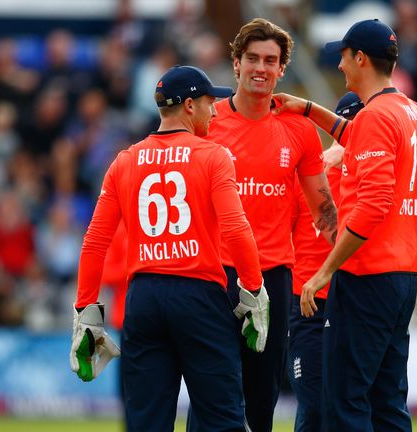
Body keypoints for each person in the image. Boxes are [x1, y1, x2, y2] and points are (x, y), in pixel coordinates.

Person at [70, 65, 269, 432]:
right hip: (199, 295)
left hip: (142, 297)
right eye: (210, 102)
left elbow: (95, 239)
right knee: (222, 418)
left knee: (146, 421)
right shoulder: (212, 155)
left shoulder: (125, 160)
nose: (215, 110)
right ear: (189, 106)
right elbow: (237, 229)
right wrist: (254, 288)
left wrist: (85, 308)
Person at [275, 18, 417, 431]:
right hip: (402, 274)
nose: (340, 65)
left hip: (368, 276)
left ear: (360, 58)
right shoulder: (408, 110)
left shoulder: (378, 117)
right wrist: (307, 108)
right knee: (388, 401)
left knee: (345, 402)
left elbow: (374, 205)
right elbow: (355, 134)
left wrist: (325, 270)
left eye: (343, 56)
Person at [187, 18, 337, 432]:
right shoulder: (205, 122)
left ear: (282, 69)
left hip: (272, 279)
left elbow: (324, 213)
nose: (261, 68)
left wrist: (347, 259)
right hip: (212, 275)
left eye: (270, 60)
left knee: (261, 397)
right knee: (211, 394)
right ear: (235, 63)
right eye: (252, 58)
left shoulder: (299, 130)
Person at [287, 92, 363, 431]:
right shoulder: (310, 170)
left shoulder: (379, 170)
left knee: (353, 408)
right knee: (315, 407)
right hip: (310, 303)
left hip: (357, 301)